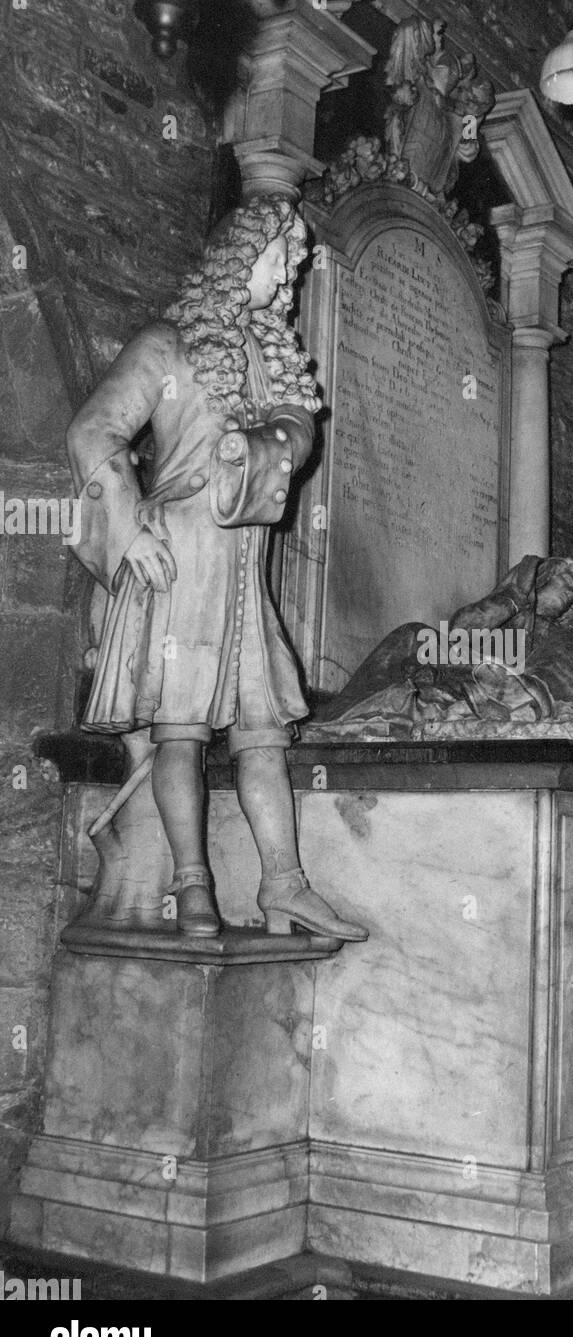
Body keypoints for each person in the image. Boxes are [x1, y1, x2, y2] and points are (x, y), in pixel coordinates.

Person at [66, 195, 367, 947]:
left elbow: (295, 436)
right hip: (176, 561)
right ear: (242, 258)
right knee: (181, 733)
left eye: (297, 259)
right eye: (281, 255)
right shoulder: (167, 345)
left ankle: (284, 884)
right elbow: (94, 430)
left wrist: (281, 437)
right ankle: (191, 887)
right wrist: (128, 529)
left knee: (263, 733)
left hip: (241, 570)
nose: (291, 270)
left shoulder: (275, 358)